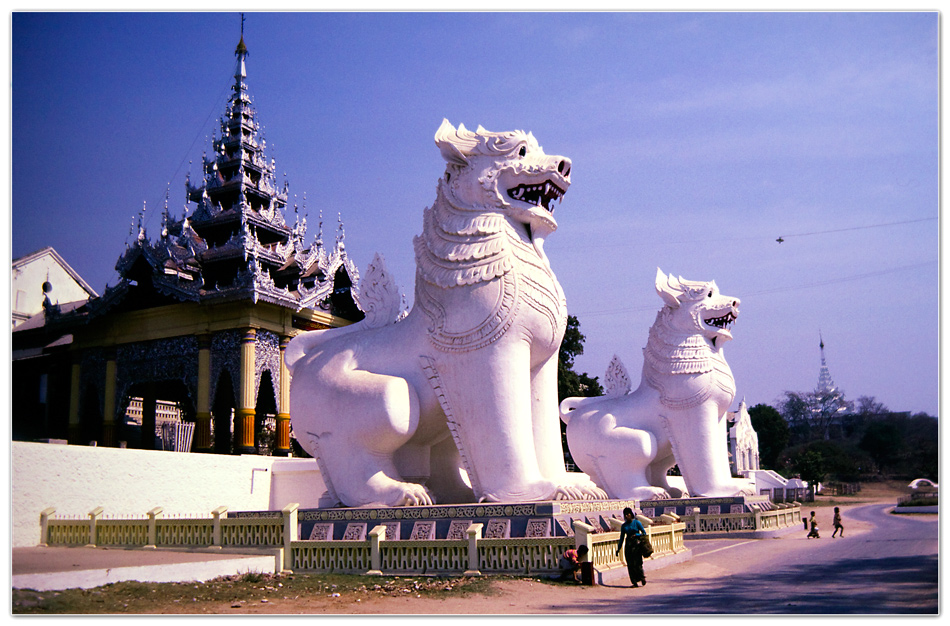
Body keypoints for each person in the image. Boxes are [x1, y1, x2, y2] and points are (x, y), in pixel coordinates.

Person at [616, 507, 647, 588]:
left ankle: (642, 578)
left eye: (628, 514)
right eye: (625, 515)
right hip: (628, 546)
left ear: (631, 514)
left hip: (636, 545)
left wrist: (636, 535)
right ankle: (634, 582)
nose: (626, 516)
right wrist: (618, 549)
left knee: (638, 563)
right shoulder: (624, 526)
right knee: (630, 565)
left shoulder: (637, 523)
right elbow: (621, 538)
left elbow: (644, 533)